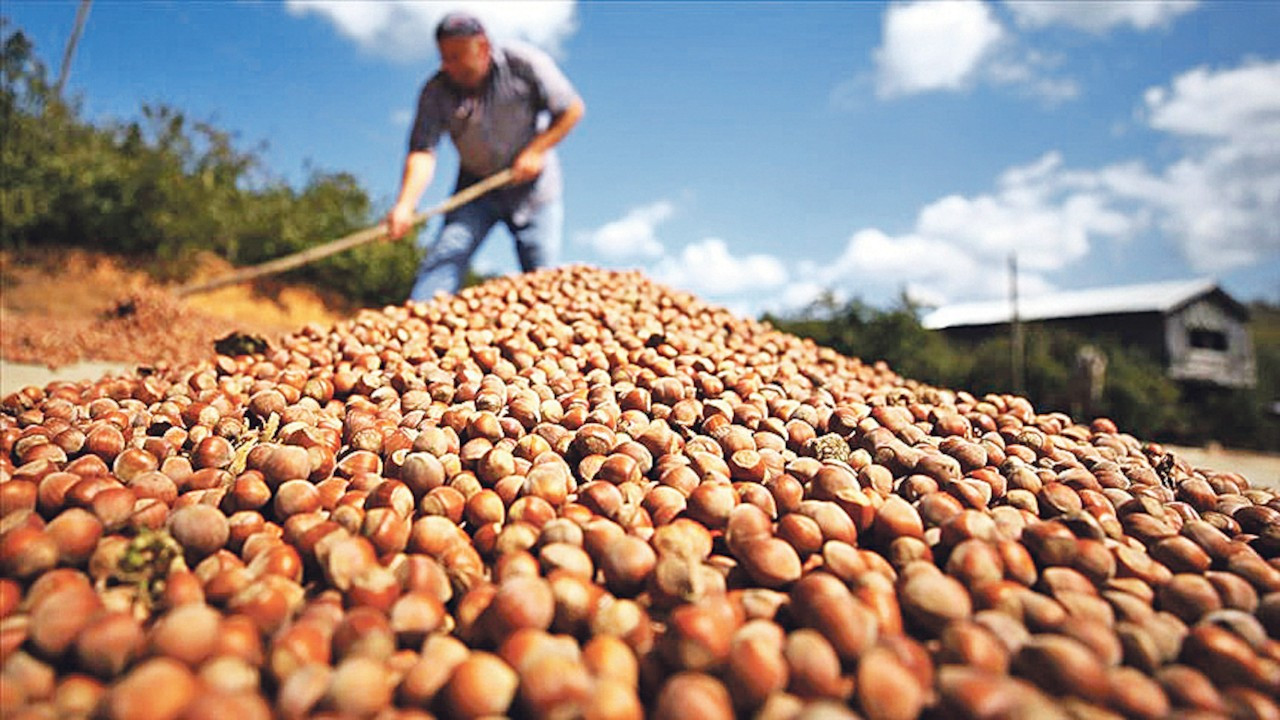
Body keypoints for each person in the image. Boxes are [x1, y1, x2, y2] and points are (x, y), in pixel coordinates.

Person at [387, 11, 585, 301]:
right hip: (476, 186)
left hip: (534, 187)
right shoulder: (435, 91)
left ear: (483, 47)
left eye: (457, 57)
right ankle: (417, 315)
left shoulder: (525, 63)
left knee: (542, 277)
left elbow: (571, 109)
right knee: (445, 256)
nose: (449, 66)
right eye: (444, 57)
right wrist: (405, 204)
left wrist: (535, 151)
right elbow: (422, 151)